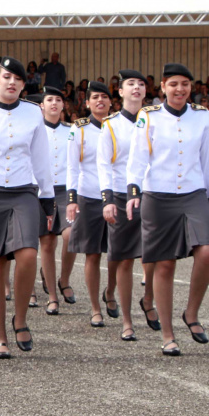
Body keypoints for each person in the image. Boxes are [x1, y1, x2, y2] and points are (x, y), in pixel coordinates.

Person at [126, 63, 209, 356]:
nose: (179, 89)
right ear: (163, 88)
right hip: (158, 194)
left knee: (207, 251)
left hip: (194, 193)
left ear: (190, 87)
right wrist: (134, 192)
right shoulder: (149, 115)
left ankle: (191, 313)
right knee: (165, 264)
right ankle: (168, 334)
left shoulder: (201, 115)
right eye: (173, 84)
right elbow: (138, 156)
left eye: (185, 84)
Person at [0, 56, 54, 360]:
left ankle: (21, 320)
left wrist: (48, 195)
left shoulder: (33, 113)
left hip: (22, 191)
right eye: (7, 77)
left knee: (28, 254)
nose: (13, 83)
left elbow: (41, 156)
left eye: (18, 79)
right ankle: (0, 336)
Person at [98, 70, 158, 341]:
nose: (137, 88)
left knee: (156, 256)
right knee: (123, 259)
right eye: (130, 84)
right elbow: (104, 165)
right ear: (120, 92)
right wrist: (108, 200)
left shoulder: (156, 119)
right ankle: (127, 319)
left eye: (141, 84)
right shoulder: (110, 125)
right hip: (122, 197)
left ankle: (148, 299)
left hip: (152, 195)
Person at [66, 81, 115, 328]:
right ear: (87, 103)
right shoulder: (80, 129)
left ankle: (112, 291)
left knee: (119, 254)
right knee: (92, 254)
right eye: (95, 98)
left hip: (115, 197)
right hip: (89, 196)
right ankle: (96, 308)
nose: (100, 101)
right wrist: (72, 200)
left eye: (105, 97)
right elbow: (72, 167)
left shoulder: (118, 126)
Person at [35, 86, 77, 317]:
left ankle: (64, 279)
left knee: (71, 234)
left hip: (65, 190)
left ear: (63, 106)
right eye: (49, 99)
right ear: (42, 105)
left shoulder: (72, 130)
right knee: (48, 243)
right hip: (43, 191)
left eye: (58, 100)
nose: (53, 103)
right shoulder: (35, 130)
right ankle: (52, 295)